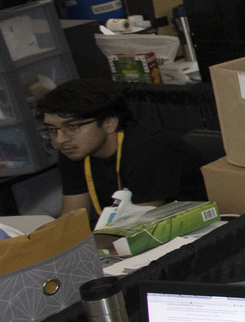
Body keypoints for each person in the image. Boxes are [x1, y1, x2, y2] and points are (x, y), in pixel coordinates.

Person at [43, 80, 208, 221]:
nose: (59, 140)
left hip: (192, 229)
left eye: (72, 126)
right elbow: (71, 220)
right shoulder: (74, 150)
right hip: (129, 229)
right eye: (52, 129)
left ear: (109, 123)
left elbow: (140, 226)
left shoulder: (148, 150)